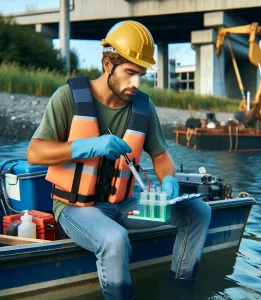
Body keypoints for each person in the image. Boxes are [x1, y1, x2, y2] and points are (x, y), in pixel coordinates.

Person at [26, 20, 211, 300]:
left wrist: (169, 180)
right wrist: (85, 146)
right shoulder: (67, 98)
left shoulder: (143, 106)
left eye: (142, 75)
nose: (136, 83)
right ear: (107, 65)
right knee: (114, 240)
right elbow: (35, 153)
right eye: (130, 73)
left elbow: (161, 156)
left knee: (198, 212)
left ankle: (180, 288)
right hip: (76, 208)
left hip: (125, 205)